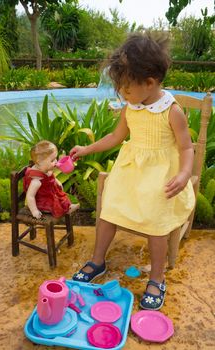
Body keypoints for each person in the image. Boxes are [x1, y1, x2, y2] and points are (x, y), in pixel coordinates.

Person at [70, 33, 195, 311]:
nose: (122, 93)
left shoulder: (171, 111)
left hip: (161, 177)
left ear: (150, 83)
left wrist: (185, 174)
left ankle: (157, 277)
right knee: (109, 209)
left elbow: (187, 149)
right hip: (131, 173)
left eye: (126, 88)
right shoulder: (131, 106)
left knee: (154, 218)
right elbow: (115, 138)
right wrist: (86, 149)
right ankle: (97, 260)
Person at [24, 140, 79, 219]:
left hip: (49, 194)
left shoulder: (45, 169)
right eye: (52, 160)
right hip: (42, 203)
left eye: (56, 158)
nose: (56, 162)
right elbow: (30, 196)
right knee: (56, 203)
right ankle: (67, 209)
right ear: (39, 162)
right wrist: (34, 211)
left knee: (61, 197)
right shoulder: (36, 181)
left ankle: (68, 207)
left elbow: (50, 177)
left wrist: (57, 181)